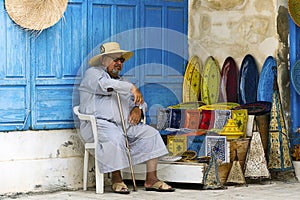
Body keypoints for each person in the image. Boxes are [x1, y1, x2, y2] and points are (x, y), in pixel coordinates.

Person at [78, 42, 175, 194]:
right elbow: (105, 85)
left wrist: (138, 109)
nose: (118, 63)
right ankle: (116, 179)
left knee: (151, 134)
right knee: (115, 138)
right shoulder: (93, 74)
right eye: (114, 59)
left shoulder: (123, 81)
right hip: (99, 125)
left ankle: (151, 179)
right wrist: (131, 88)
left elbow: (140, 102)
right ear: (104, 60)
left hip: (124, 125)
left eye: (121, 60)